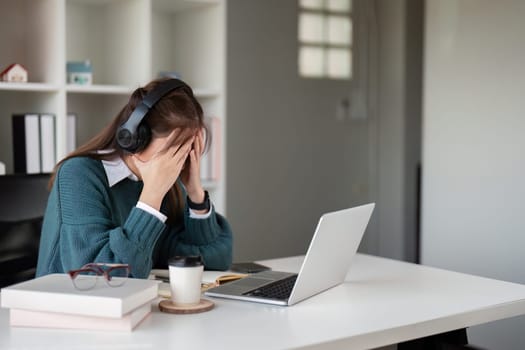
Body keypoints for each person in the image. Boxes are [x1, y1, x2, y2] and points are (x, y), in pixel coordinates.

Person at [36, 78, 233, 279]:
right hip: (67, 306)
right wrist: (151, 197)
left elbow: (215, 260)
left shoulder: (166, 186)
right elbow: (100, 278)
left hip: (133, 306)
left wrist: (195, 192)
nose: (179, 163)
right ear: (136, 139)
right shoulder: (78, 175)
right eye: (174, 152)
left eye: (187, 151)